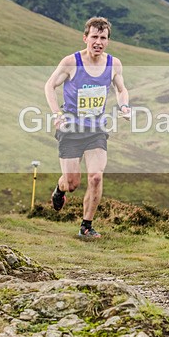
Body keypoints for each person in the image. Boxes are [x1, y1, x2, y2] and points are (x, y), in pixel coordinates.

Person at [44, 16, 130, 240]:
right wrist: (57, 113)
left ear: (108, 41)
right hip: (71, 129)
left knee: (95, 177)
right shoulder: (71, 62)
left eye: (103, 38)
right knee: (72, 183)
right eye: (94, 37)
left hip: (96, 130)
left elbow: (121, 89)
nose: (98, 42)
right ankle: (60, 188)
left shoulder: (114, 64)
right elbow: (49, 86)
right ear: (85, 38)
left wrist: (124, 106)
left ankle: (86, 226)